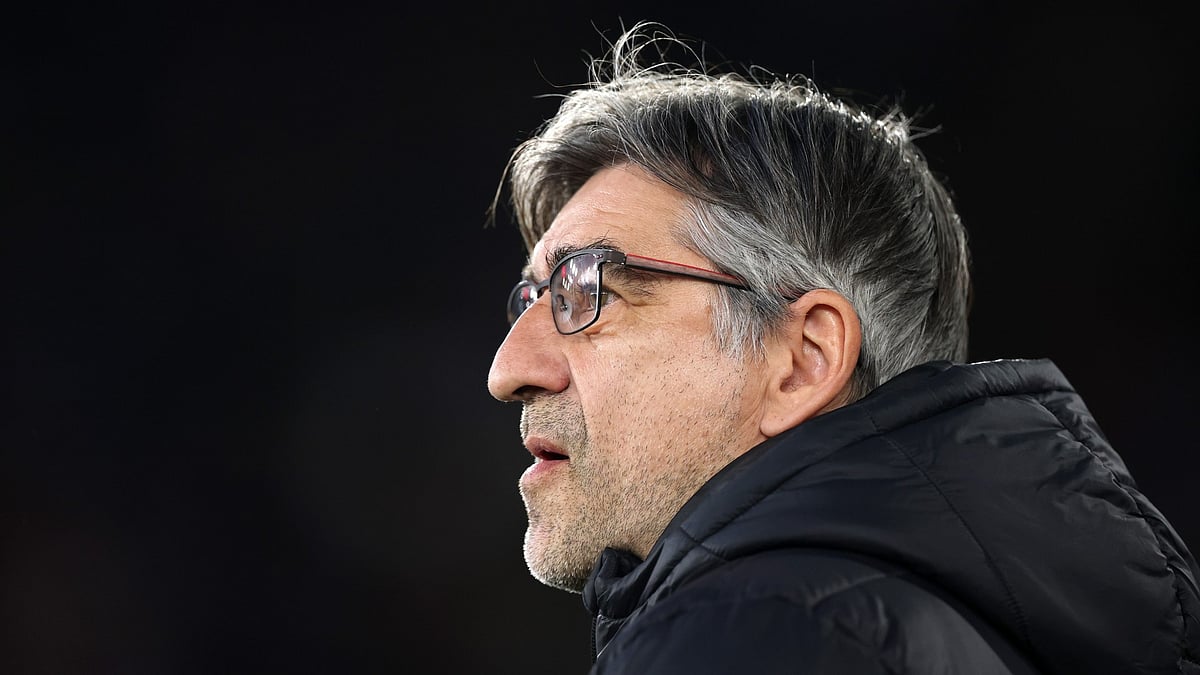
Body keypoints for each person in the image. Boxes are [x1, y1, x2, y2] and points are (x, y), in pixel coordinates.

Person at [485, 21, 1200, 674]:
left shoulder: (752, 633)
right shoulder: (941, 628)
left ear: (803, 360)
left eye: (586, 289)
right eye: (533, 297)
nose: (509, 370)